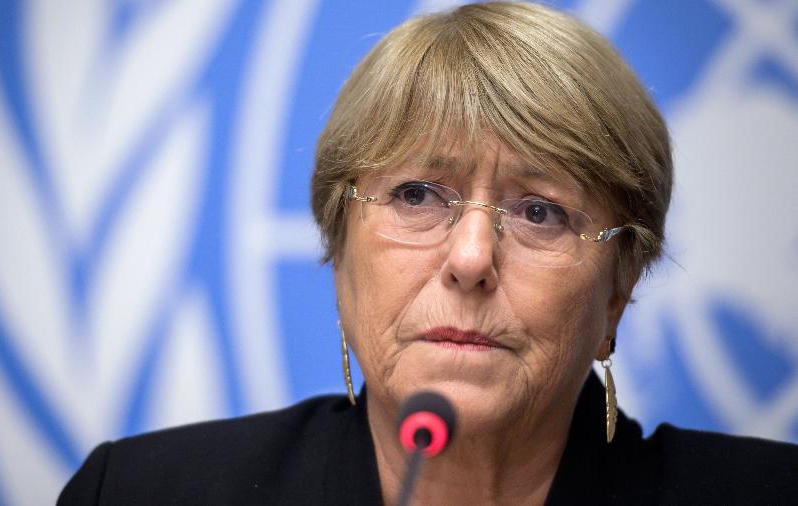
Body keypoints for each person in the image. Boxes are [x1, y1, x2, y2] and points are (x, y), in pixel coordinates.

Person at [58, 2, 798, 504]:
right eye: (416, 195)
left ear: (620, 286)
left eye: (539, 212)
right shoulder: (141, 492)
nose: (472, 257)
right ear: (337, 243)